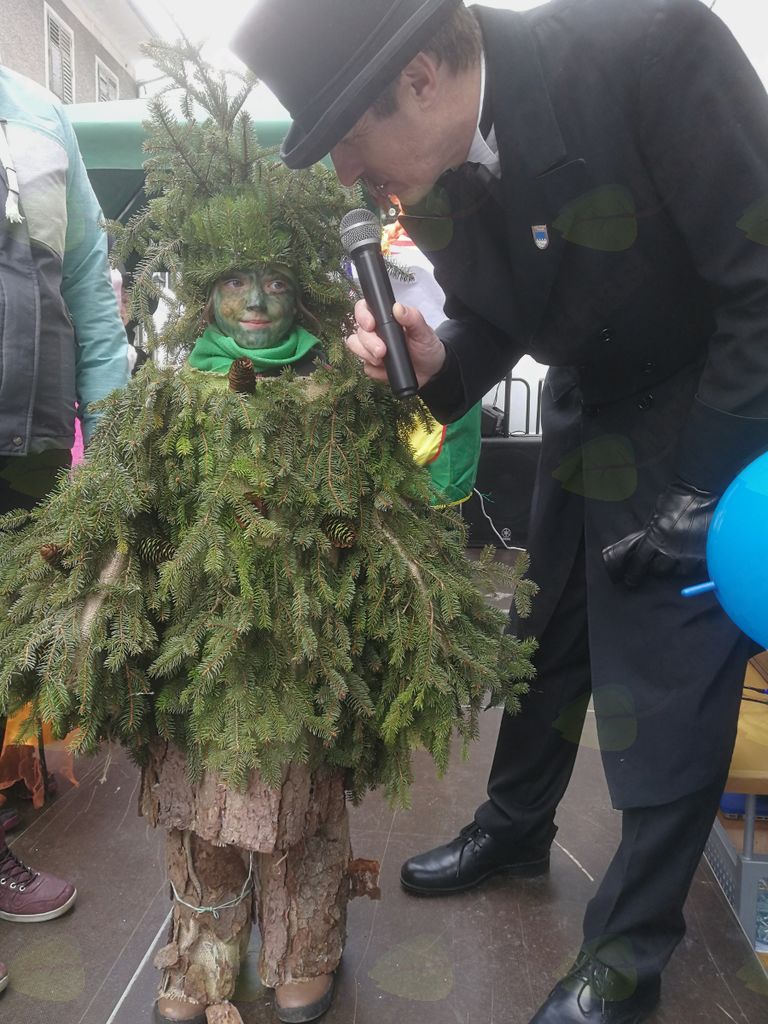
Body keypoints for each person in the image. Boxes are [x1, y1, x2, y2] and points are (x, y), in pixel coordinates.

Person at [231, 1, 768, 1022]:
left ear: (421, 78)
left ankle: (627, 954)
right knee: (547, 629)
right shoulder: (428, 165)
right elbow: (500, 313)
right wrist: (437, 361)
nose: (345, 173)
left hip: (710, 393)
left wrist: (701, 487)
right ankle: (517, 826)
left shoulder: (654, 47)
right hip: (589, 398)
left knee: (669, 671)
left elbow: (764, 281)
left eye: (349, 137)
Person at [0, 64, 128, 995]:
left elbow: (86, 287)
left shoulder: (41, 115)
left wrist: (115, 448)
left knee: (9, 649)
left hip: (32, 441)